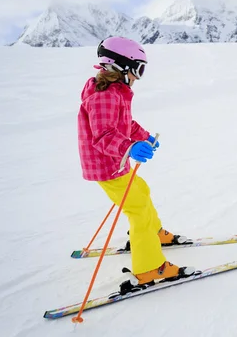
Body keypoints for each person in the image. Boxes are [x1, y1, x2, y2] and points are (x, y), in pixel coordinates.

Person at [77, 36, 194, 287]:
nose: (139, 76)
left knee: (141, 191)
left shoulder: (117, 92)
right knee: (138, 210)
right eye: (138, 69)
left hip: (115, 162)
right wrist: (129, 147)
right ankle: (150, 268)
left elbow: (125, 123)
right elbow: (103, 135)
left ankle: (154, 234)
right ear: (121, 65)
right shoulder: (104, 95)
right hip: (106, 166)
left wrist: (144, 137)